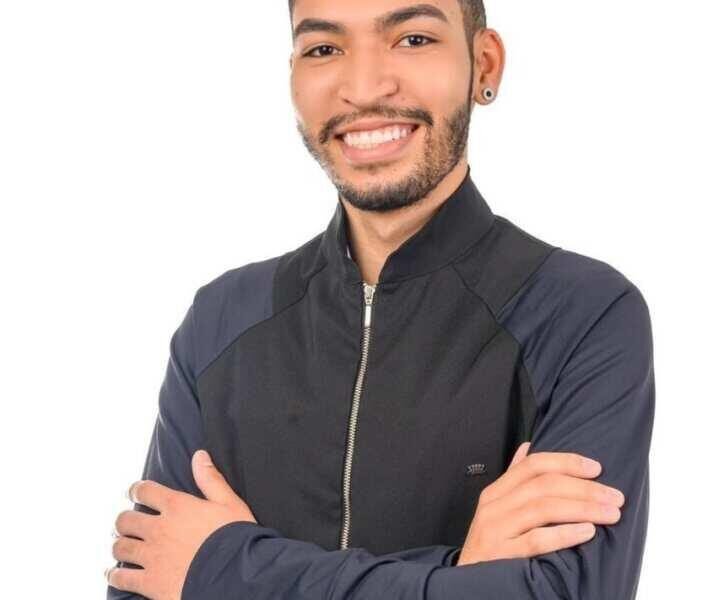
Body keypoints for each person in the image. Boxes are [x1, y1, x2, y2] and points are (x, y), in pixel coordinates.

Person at [106, 1, 655, 598]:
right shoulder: (221, 322)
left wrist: (226, 567)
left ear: (484, 65)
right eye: (324, 48)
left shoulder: (582, 314)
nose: (364, 87)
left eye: (413, 39)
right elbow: (147, 575)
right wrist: (459, 575)